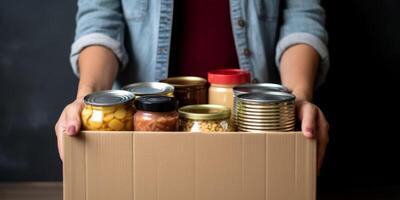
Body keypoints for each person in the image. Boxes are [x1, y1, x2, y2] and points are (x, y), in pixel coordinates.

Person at [55, 0, 329, 170]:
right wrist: (89, 97)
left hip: (254, 125)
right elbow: (100, 22)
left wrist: (299, 97)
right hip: (143, 134)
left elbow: (301, 19)